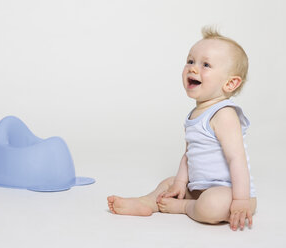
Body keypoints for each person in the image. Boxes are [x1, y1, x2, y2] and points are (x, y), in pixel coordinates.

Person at [107, 26, 257, 231]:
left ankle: (186, 207)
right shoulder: (195, 114)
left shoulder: (224, 114)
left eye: (206, 65)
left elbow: (236, 158)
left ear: (230, 83)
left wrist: (241, 200)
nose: (193, 68)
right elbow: (189, 154)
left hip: (228, 192)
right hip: (199, 187)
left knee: (212, 205)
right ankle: (147, 202)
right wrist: (179, 182)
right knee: (168, 183)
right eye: (190, 61)